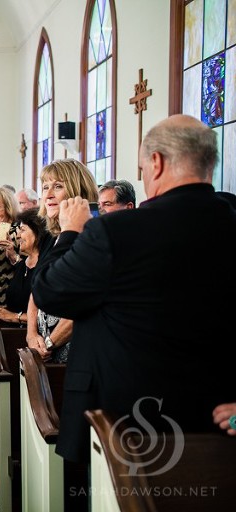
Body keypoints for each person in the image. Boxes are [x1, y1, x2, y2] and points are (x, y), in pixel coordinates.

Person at [32, 114, 236, 463]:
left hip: (123, 424)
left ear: (155, 163)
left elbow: (51, 290)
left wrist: (69, 232)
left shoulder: (116, 232)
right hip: (215, 420)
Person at [25, 159, 98, 364]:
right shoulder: (53, 236)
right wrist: (31, 334)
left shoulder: (90, 236)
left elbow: (84, 303)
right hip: (46, 348)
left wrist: (49, 343)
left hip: (73, 352)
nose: (47, 195)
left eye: (57, 186)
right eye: (45, 187)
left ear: (78, 190)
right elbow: (37, 288)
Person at [0, 208, 51, 326]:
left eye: (22, 230)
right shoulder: (22, 264)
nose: (18, 235)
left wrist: (14, 317)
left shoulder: (48, 266)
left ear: (38, 234)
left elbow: (49, 317)